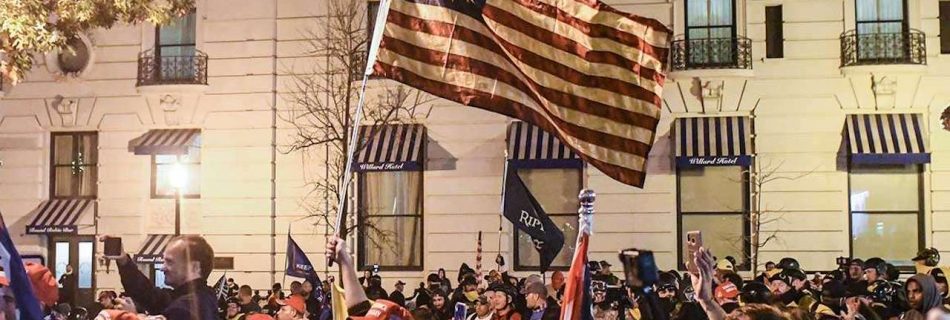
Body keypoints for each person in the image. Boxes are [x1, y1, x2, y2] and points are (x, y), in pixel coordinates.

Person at [103, 234, 218, 319]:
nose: (162, 268)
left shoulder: (185, 309)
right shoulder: (198, 297)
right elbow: (149, 294)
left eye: (170, 262)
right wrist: (123, 261)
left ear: (194, 267)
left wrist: (131, 317)